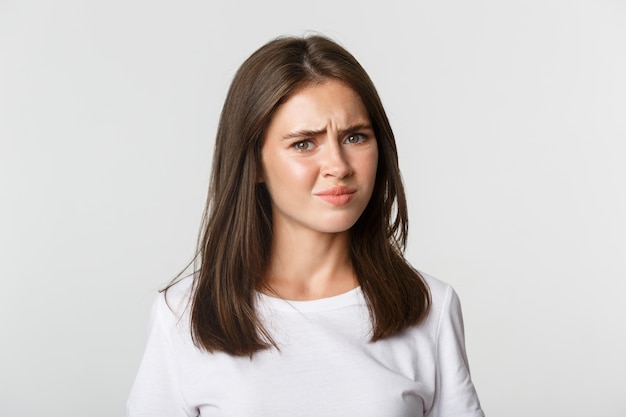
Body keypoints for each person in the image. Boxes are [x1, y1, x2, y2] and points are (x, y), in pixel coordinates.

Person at [126, 34, 484, 417]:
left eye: (355, 137)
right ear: (256, 164)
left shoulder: (429, 306)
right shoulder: (184, 314)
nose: (339, 165)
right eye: (304, 144)